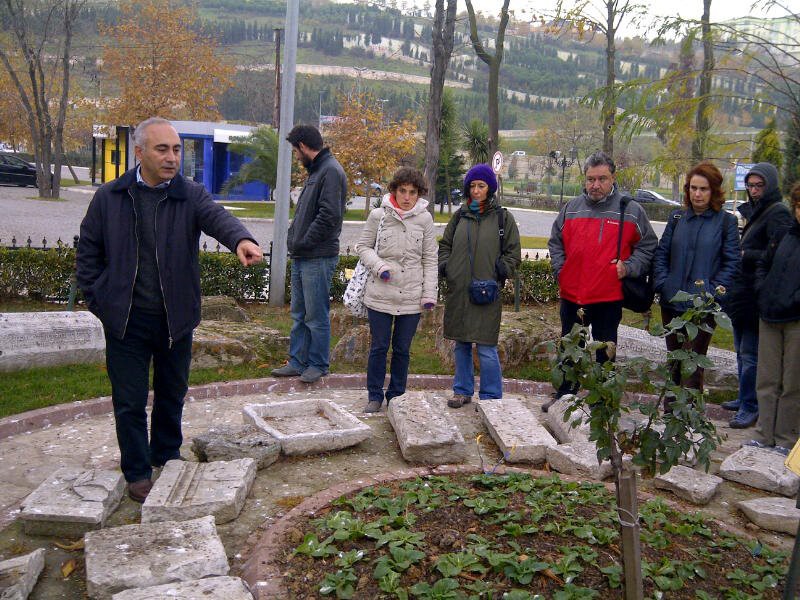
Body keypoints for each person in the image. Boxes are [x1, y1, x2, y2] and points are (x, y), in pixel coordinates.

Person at [76, 117, 262, 503]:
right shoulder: (109, 198)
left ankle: (165, 455)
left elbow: (217, 217)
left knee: (171, 392)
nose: (173, 157)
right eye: (163, 149)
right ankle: (138, 471)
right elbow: (88, 254)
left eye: (177, 150)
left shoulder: (188, 195)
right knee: (129, 401)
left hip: (174, 318)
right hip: (125, 320)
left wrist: (241, 239)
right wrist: (101, 302)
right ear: (140, 152)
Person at [544, 151, 657, 412]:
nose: (595, 185)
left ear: (613, 178)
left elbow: (648, 246)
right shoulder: (571, 208)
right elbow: (555, 242)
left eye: (602, 179)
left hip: (608, 297)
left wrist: (629, 268)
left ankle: (602, 402)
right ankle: (564, 396)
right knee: (569, 350)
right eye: (590, 179)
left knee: (605, 353)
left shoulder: (630, 210)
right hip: (573, 295)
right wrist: (561, 271)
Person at [652, 162, 741, 411]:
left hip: (703, 308)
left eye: (703, 189)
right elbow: (662, 254)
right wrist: (663, 284)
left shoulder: (726, 223)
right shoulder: (677, 218)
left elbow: (732, 263)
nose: (697, 194)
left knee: (692, 361)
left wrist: (713, 294)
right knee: (674, 360)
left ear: (713, 191)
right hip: (672, 302)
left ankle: (688, 414)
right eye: (693, 188)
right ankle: (670, 410)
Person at [438, 164, 521, 408]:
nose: (476, 191)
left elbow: (513, 253)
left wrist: (500, 270)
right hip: (459, 291)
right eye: (472, 186)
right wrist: (447, 267)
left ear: (490, 188)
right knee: (461, 344)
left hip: (487, 292)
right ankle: (462, 391)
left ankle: (491, 398)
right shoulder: (460, 216)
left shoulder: (502, 218)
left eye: (481, 186)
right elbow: (445, 245)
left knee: (486, 348)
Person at [356, 167, 438, 413]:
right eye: (402, 191)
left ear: (419, 194)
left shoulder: (425, 219)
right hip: (380, 293)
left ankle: (396, 396)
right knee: (379, 347)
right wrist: (379, 265)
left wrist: (429, 294)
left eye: (412, 192)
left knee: (402, 349)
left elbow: (430, 259)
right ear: (394, 190)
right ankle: (374, 395)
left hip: (412, 297)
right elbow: (362, 247)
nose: (406, 197)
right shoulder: (378, 216)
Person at [271, 124, 347, 384]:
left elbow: (329, 216)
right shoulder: (318, 171)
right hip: (304, 255)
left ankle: (317, 364)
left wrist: (302, 241)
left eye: (295, 151)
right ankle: (298, 361)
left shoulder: (330, 171)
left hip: (318, 256)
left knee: (316, 315)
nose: (295, 156)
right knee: (300, 314)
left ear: (303, 147)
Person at [722, 162, 793, 429]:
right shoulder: (759, 211)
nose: (753, 190)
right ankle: (744, 397)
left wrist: (745, 255)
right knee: (741, 351)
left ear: (770, 185)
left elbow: (779, 255)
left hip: (755, 294)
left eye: (759, 185)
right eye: (750, 185)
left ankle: (751, 406)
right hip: (742, 294)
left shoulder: (777, 214)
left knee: (751, 354)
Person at [745, 182, 800, 454]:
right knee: (766, 379)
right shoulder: (785, 234)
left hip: (796, 320)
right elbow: (764, 263)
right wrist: (762, 290)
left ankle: (786, 439)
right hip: (769, 315)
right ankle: (763, 434)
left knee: (792, 383)